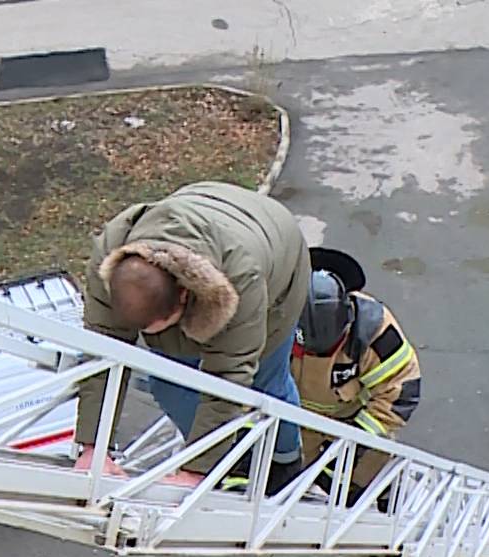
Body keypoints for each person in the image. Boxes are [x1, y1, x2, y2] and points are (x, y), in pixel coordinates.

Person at [73, 182, 311, 488]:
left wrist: (196, 472)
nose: (147, 336)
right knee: (169, 382)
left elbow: (230, 374)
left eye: (159, 326)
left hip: (278, 259)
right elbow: (103, 351)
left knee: (265, 383)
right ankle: (227, 456)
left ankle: (284, 461)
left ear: (185, 295)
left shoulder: (241, 278)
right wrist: (94, 446)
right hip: (212, 214)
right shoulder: (110, 254)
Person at [290, 248, 421, 504]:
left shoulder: (374, 331)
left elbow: (399, 393)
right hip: (292, 426)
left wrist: (351, 447)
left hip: (351, 430)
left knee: (358, 497)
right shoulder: (273, 321)